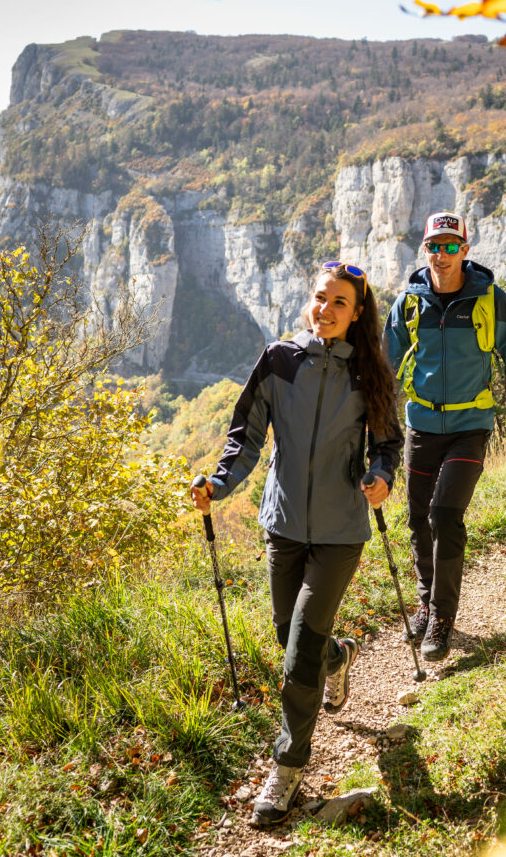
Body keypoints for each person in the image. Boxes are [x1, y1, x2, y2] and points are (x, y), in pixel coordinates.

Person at [191, 261, 402, 829]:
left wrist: (382, 477)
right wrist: (218, 482)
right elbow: (247, 435)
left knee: (298, 652)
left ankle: (287, 767)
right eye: (319, 298)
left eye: (339, 303)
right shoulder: (280, 359)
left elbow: (387, 443)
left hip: (340, 532)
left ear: (357, 314)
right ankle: (340, 657)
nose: (325, 310)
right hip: (282, 525)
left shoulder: (370, 372)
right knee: (292, 637)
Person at [384, 212, 506, 662]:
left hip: (470, 429)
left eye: (451, 246)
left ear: (465, 250)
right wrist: (367, 426)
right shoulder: (408, 304)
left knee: (442, 515)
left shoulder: (490, 300)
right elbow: (385, 372)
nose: (442, 254)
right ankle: (425, 601)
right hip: (422, 426)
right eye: (434, 246)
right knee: (417, 518)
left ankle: (442, 617)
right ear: (425, 251)